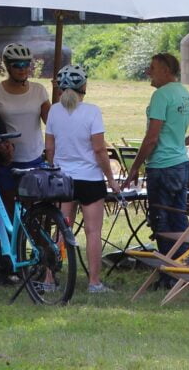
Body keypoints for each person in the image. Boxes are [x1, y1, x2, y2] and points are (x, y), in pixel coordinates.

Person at [122, 53, 189, 259]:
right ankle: (183, 265)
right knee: (178, 217)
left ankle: (169, 271)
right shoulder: (185, 94)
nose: (148, 72)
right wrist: (182, 143)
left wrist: (135, 167)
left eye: (152, 68)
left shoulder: (161, 95)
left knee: (161, 220)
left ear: (166, 71)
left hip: (162, 167)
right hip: (181, 165)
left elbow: (151, 138)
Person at [45, 64, 120, 294]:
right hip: (90, 179)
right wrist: (111, 179)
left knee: (59, 230)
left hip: (63, 178)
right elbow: (99, 150)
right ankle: (94, 282)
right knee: (93, 231)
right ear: (84, 86)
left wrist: (53, 168)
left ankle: (49, 278)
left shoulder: (54, 111)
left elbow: (49, 147)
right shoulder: (92, 112)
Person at [0, 42, 50, 184]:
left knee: (34, 204)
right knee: (7, 202)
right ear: (7, 66)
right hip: (6, 158)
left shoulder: (39, 90)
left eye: (26, 64)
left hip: (34, 157)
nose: (23, 69)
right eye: (17, 65)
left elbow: (51, 122)